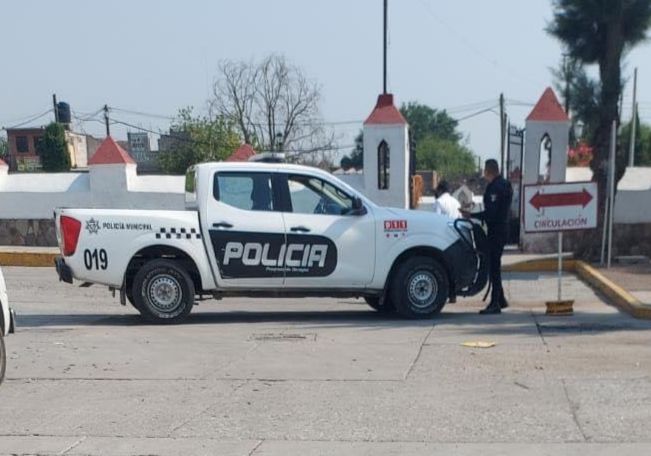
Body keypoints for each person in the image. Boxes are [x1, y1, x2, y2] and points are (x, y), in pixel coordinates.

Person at [462, 159, 513, 314]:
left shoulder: (494, 188)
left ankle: (495, 303)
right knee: (494, 265)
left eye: (485, 171)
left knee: (494, 267)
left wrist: (471, 215)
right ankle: (501, 299)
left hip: (496, 231)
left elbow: (491, 214)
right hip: (503, 229)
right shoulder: (506, 184)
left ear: (488, 171)